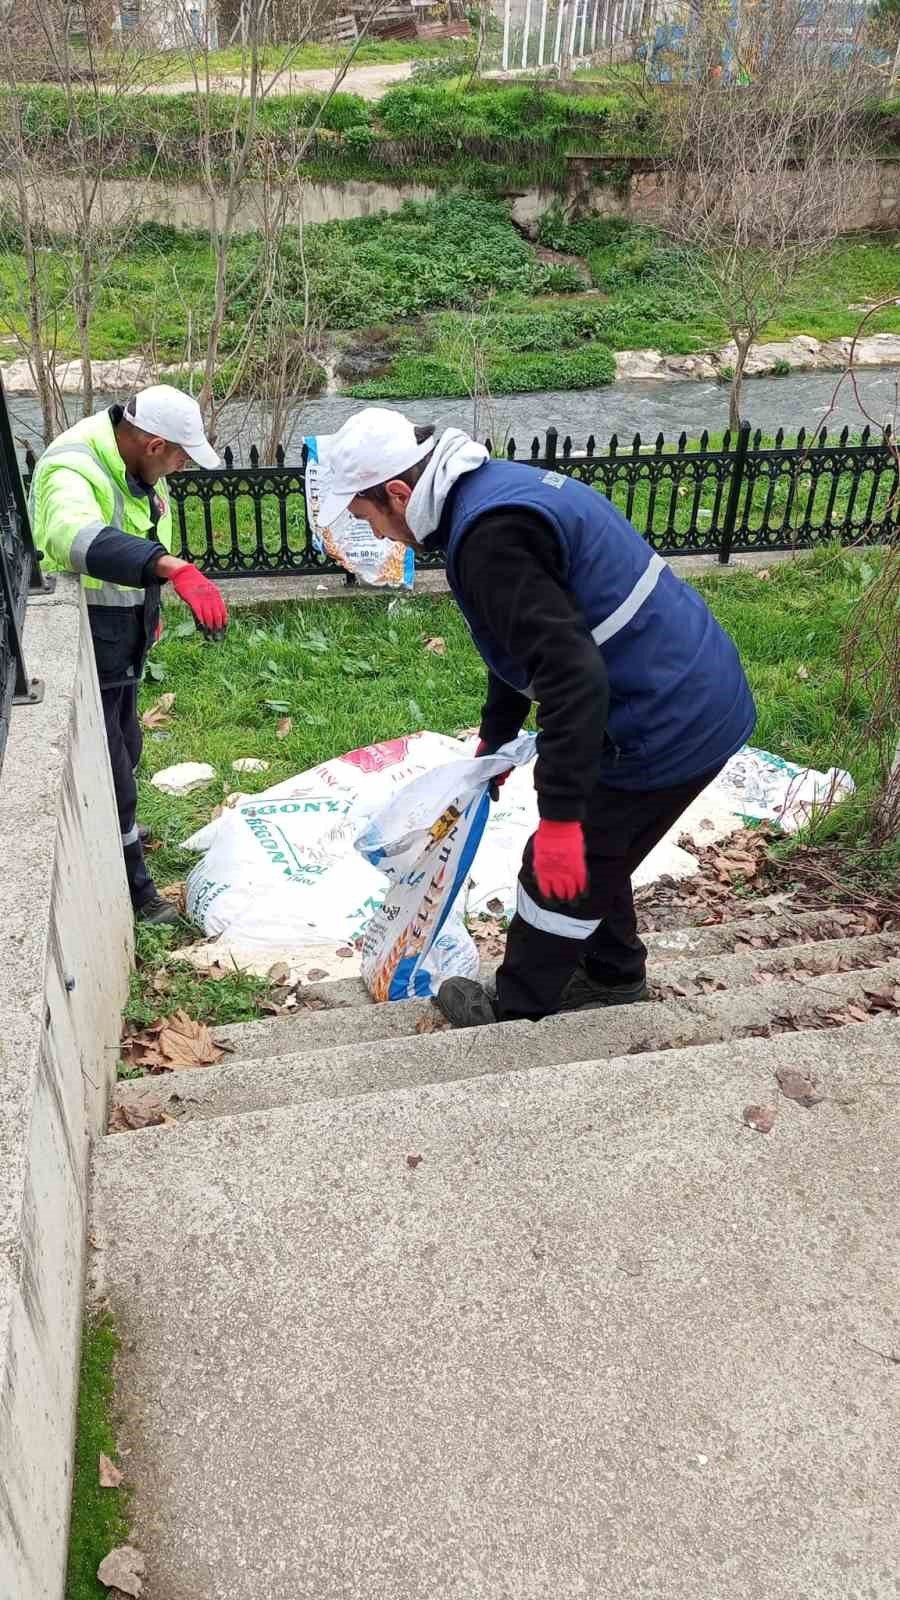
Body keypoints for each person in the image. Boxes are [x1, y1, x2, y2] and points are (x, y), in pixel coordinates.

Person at [316, 407, 757, 1028]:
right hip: (685, 684)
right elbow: (521, 640)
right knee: (602, 850)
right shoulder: (489, 494)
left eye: (369, 519)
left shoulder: (489, 537)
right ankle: (612, 973)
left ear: (397, 493)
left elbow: (573, 681)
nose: (382, 537)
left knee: (559, 867)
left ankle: (520, 1013)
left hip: (665, 717)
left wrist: (559, 820)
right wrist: (495, 737)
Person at [29, 385, 229, 926]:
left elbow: (139, 533)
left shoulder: (137, 468)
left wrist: (150, 603)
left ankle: (117, 836)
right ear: (153, 443)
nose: (182, 466)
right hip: (85, 635)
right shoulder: (72, 466)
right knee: (114, 764)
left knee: (127, 746)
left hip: (123, 631)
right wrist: (171, 569)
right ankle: (139, 893)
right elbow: (71, 535)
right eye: (180, 456)